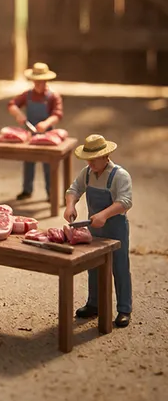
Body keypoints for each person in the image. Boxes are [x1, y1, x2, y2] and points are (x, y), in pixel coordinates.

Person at [64, 133, 132, 328]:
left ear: (106, 156)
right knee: (93, 266)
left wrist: (104, 215)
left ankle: (124, 309)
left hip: (116, 228)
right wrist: (71, 205)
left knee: (119, 268)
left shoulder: (120, 175)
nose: (90, 164)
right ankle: (94, 304)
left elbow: (125, 202)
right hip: (94, 230)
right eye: (88, 159)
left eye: (94, 160)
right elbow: (74, 189)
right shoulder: (86, 173)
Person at [7, 61, 63, 200]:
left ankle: (51, 192)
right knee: (28, 162)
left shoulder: (53, 96)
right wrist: (18, 114)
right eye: (37, 82)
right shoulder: (28, 95)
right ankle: (27, 190)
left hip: (47, 135)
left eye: (42, 82)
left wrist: (46, 123)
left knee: (49, 165)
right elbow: (12, 104)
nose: (40, 85)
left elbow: (57, 114)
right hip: (30, 134)